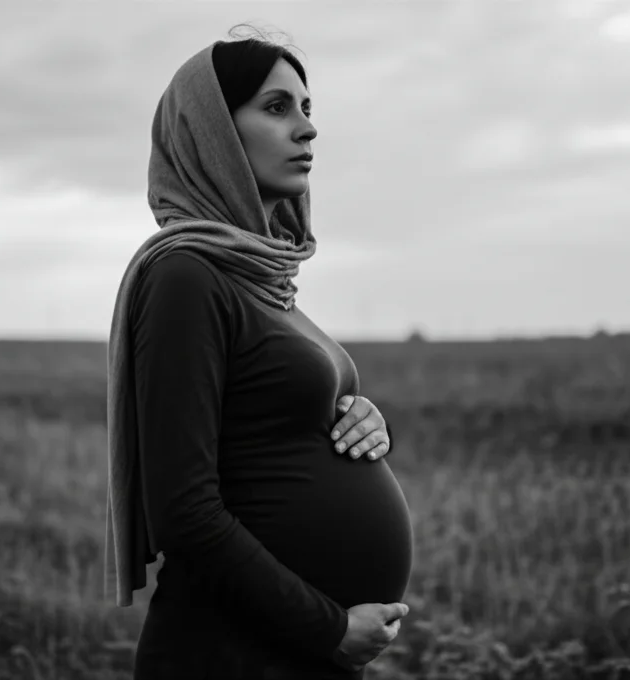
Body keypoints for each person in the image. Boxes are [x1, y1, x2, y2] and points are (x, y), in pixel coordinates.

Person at [104, 27, 414, 679]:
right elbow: (185, 512)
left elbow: (270, 428)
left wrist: (360, 420)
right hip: (230, 653)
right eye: (276, 107)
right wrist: (328, 629)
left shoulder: (260, 278)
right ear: (212, 133)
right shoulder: (187, 276)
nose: (307, 128)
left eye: (307, 108)